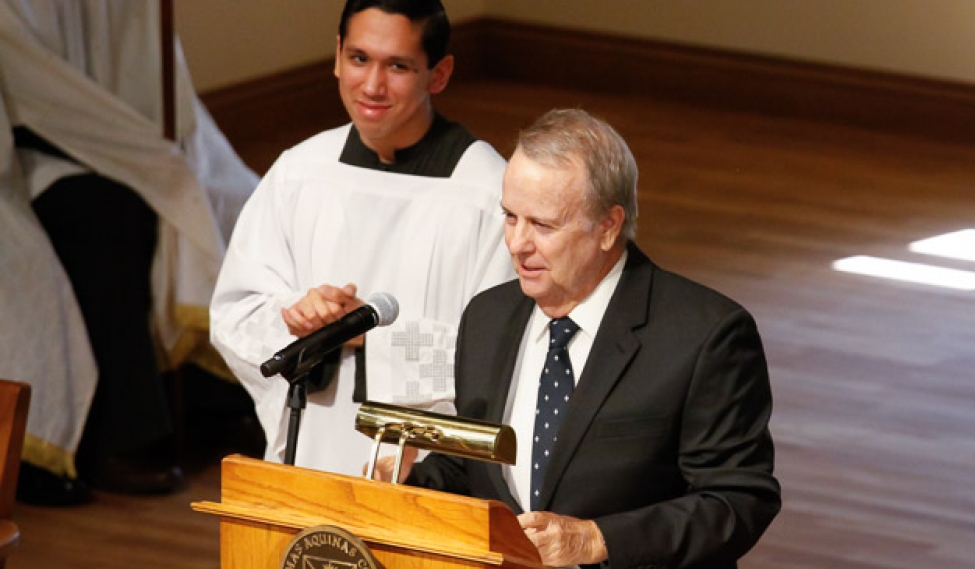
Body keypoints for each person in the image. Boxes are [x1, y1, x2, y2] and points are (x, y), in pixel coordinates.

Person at [379, 108, 781, 568]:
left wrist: (598, 539)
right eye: (510, 217)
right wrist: (410, 484)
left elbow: (738, 501)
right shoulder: (487, 317)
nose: (516, 243)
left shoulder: (705, 336)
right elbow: (477, 466)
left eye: (543, 225)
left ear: (608, 226)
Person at [210, 0, 514, 476]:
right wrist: (294, 318)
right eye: (359, 59)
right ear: (336, 55)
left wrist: (366, 337)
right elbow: (234, 312)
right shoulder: (300, 172)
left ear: (439, 73)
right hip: (310, 449)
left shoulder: (486, 192)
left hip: (429, 467)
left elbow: (504, 353)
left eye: (397, 66)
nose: (372, 86)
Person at [0, 0, 259, 505]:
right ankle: (122, 433)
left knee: (237, 199)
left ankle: (221, 399)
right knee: (104, 215)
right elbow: (34, 89)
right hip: (38, 150)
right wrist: (137, 157)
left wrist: (148, 152)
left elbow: (151, 71)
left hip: (128, 137)